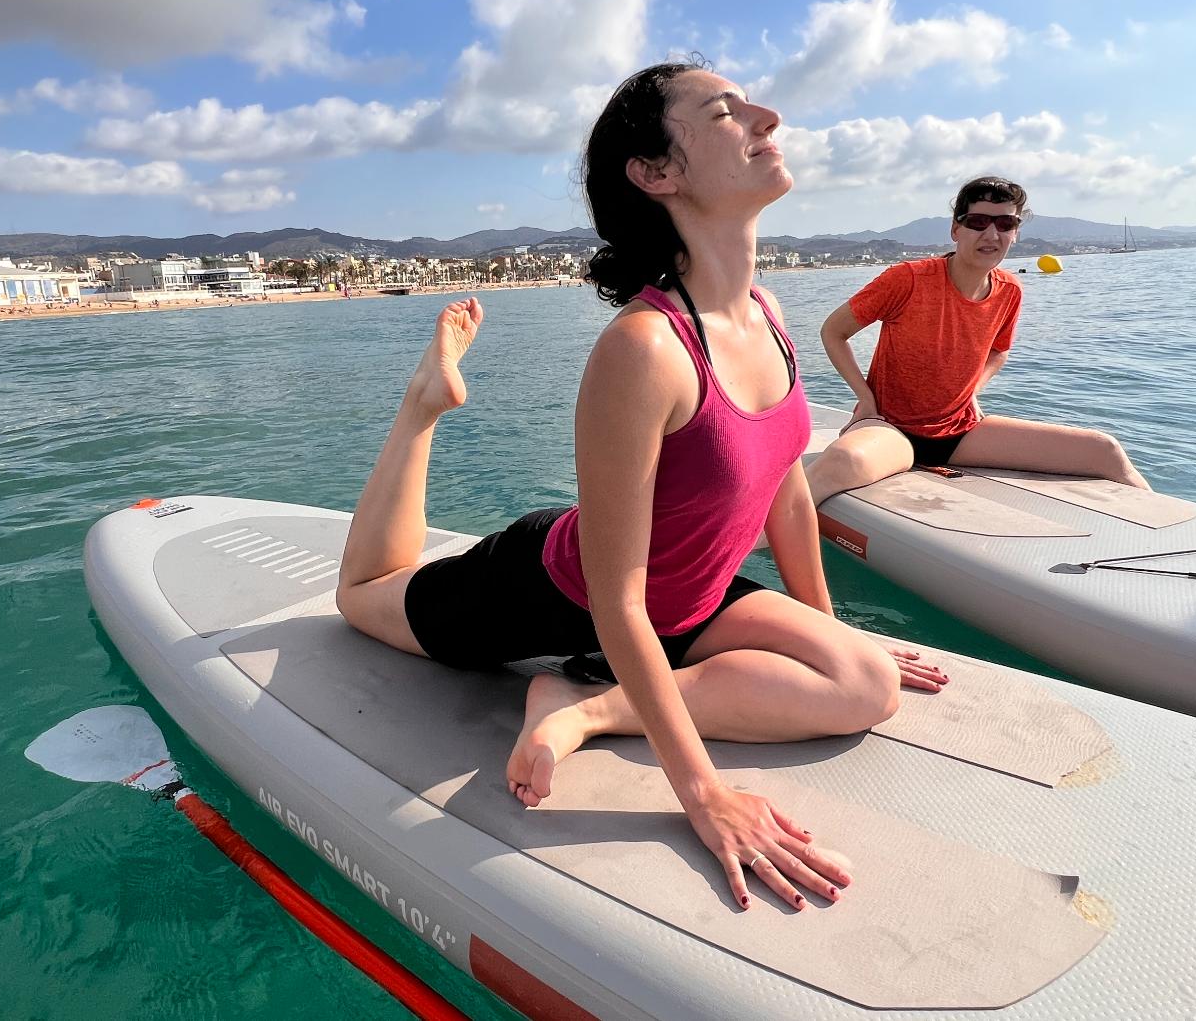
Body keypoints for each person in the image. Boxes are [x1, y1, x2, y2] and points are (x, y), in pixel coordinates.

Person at [335, 61, 948, 913]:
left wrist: (824, 629)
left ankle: (582, 704)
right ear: (657, 174)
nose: (768, 118)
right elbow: (618, 602)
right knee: (361, 596)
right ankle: (421, 408)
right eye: (730, 113)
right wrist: (703, 794)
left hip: (688, 600)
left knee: (863, 685)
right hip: (558, 593)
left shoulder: (767, 313)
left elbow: (786, 491)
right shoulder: (645, 348)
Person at [806, 176, 1149, 501]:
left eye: (1005, 224)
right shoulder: (907, 279)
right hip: (890, 429)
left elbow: (999, 351)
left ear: (1015, 233)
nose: (991, 233)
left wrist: (970, 392)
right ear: (956, 229)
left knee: (1105, 451)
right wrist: (865, 401)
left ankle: (1184, 547)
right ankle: (758, 537)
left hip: (962, 433)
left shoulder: (1009, 291)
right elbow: (834, 332)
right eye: (978, 221)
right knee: (842, 464)